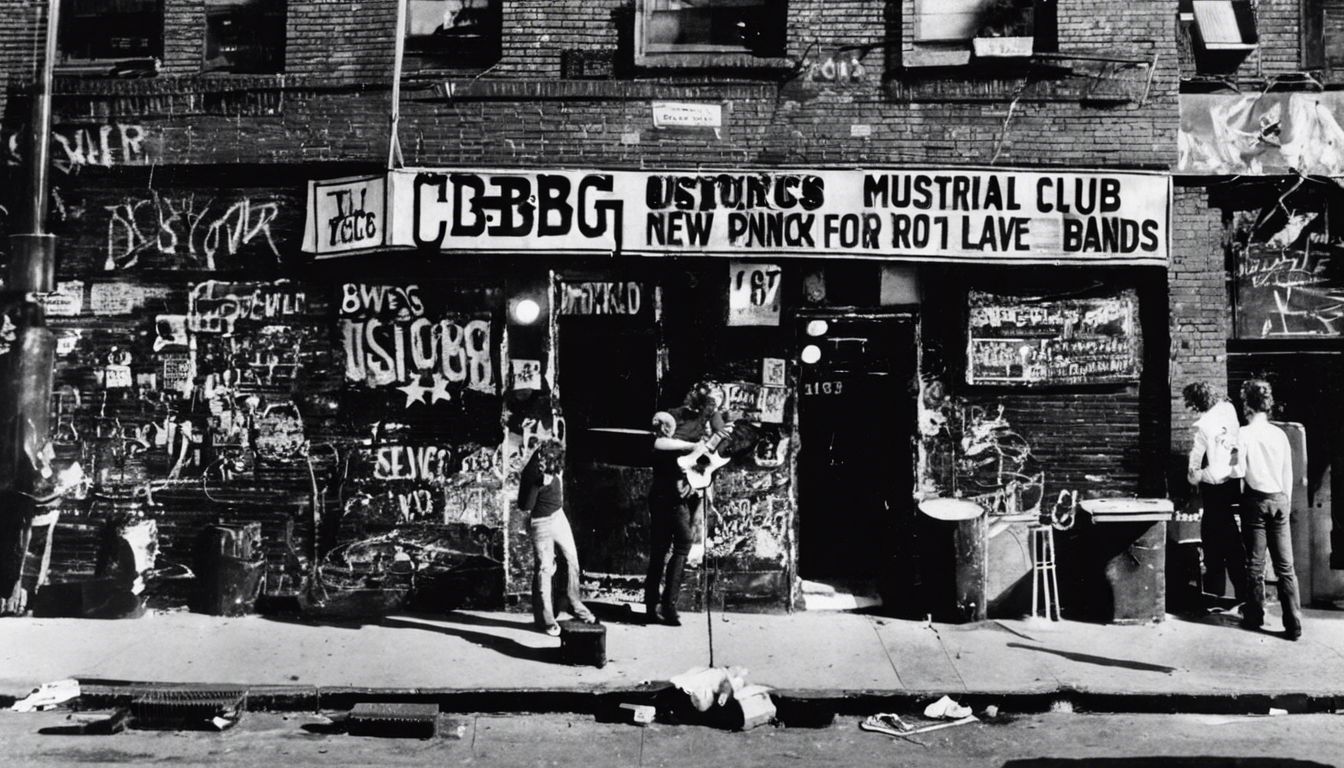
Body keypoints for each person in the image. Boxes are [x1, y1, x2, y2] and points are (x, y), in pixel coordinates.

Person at [644, 381, 727, 627]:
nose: (712, 409)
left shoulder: (709, 419)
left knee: (667, 546)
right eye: (710, 403)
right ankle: (665, 607)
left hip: (688, 488)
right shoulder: (675, 415)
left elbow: (715, 448)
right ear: (700, 400)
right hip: (666, 487)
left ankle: (658, 605)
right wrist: (690, 445)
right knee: (679, 543)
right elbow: (658, 443)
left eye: (716, 405)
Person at [1232, 379, 1303, 641]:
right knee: (1286, 566)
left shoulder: (1244, 434)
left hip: (1254, 501)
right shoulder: (1279, 434)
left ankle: (1254, 616)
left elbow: (1238, 471)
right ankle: (1293, 624)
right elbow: (1288, 473)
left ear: (1247, 404)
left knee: (1255, 563)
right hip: (1279, 499)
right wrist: (1284, 502)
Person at [518, 439, 595, 636]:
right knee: (545, 569)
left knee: (572, 559)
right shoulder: (532, 471)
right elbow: (524, 506)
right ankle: (546, 620)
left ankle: (575, 605)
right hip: (541, 522)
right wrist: (536, 484)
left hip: (558, 516)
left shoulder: (556, 464)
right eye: (548, 461)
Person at [1183, 382, 1247, 608]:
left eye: (1191, 404)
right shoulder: (1227, 411)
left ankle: (1217, 593)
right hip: (1231, 481)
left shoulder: (1207, 424)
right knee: (1227, 538)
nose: (1191, 409)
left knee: (1216, 539)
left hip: (1216, 485)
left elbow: (1205, 459)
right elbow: (1211, 448)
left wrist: (1196, 476)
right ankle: (1238, 593)